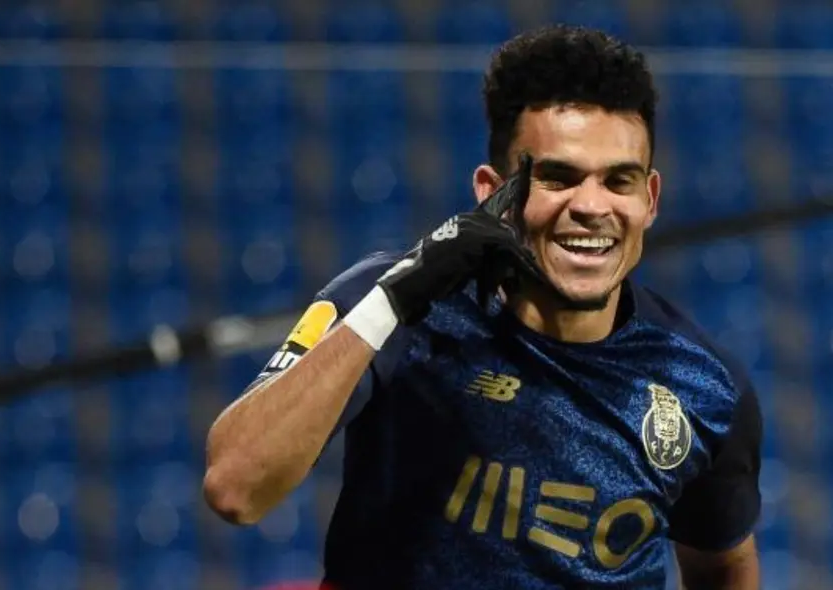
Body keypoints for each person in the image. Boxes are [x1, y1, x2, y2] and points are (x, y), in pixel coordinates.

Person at [203, 25, 763, 590]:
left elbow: (723, 566)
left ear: (650, 200)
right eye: (557, 177)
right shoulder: (392, 305)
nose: (592, 206)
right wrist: (395, 300)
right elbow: (236, 488)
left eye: (619, 181)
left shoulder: (703, 384)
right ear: (492, 191)